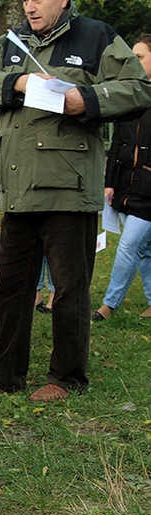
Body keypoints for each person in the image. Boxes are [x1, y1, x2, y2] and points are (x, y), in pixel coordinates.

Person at [0, 0, 151, 402]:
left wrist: (85, 99)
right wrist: (17, 83)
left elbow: (139, 88)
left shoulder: (97, 36)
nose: (29, 6)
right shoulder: (12, 41)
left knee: (70, 289)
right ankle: (4, 372)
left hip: (69, 189)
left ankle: (67, 377)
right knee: (10, 288)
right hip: (18, 189)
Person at [93, 35, 151, 322]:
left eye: (140, 57)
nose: (134, 62)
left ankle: (108, 305)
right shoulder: (129, 98)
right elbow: (117, 145)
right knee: (145, 251)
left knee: (129, 246)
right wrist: (110, 182)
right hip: (127, 189)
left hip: (148, 194)